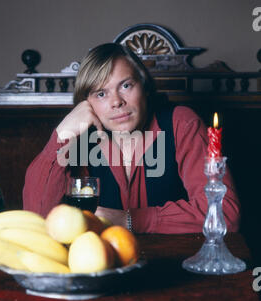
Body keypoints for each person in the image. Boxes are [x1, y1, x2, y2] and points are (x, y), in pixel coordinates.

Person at [22, 43, 240, 233]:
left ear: (144, 88)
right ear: (86, 104)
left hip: (178, 267)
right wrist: (60, 135)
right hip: (103, 267)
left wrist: (131, 220)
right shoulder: (81, 141)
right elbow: (38, 218)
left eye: (126, 85)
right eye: (101, 93)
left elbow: (225, 213)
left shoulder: (181, 124)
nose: (116, 101)